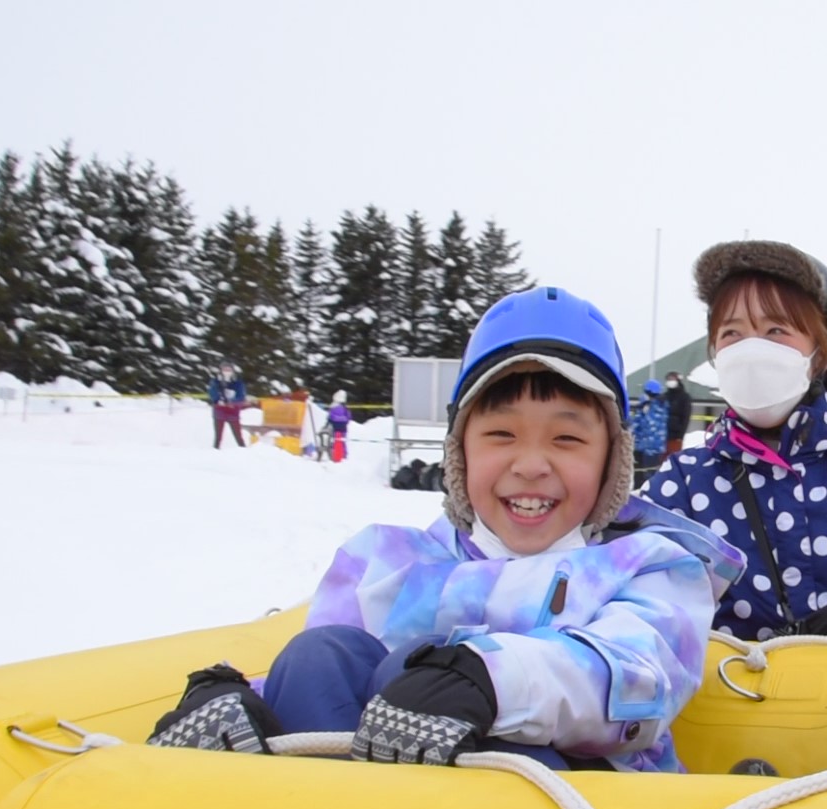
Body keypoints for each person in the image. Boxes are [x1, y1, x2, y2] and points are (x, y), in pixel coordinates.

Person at [148, 287, 745, 771]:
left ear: (611, 460)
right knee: (319, 655)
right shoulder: (387, 562)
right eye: (501, 435)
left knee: (410, 669)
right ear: (460, 453)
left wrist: (488, 681)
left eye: (566, 439)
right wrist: (243, 697)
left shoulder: (652, 567)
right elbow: (322, 678)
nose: (531, 463)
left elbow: (641, 677)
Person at [640, 240, 827, 647]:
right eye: (732, 333)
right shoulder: (685, 481)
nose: (751, 350)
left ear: (821, 353)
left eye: (775, 331)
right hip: (726, 705)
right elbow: (637, 594)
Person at [633, 378, 669, 481]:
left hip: (652, 449)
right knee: (639, 477)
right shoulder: (647, 405)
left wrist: (643, 409)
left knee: (649, 477)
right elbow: (637, 424)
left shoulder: (659, 406)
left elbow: (649, 425)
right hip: (641, 447)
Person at [208, 363, 247, 449]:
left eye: (229, 370)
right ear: (221, 370)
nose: (227, 372)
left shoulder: (238, 382)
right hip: (219, 412)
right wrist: (218, 400)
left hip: (233, 413)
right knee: (218, 437)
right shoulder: (215, 381)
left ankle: (244, 452)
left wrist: (231, 402)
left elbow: (241, 396)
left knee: (238, 437)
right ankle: (215, 451)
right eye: (225, 369)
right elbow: (212, 393)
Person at [663, 371, 694, 453]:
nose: (670, 381)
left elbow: (686, 417)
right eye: (668, 379)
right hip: (662, 435)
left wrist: (680, 435)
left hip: (675, 436)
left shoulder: (684, 397)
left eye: (672, 379)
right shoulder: (664, 396)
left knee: (672, 459)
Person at [327, 390, 351, 462]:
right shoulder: (345, 408)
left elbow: (330, 417)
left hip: (335, 427)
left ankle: (336, 456)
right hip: (343, 427)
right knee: (342, 441)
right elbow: (349, 417)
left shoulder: (333, 407)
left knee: (336, 441)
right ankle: (344, 455)